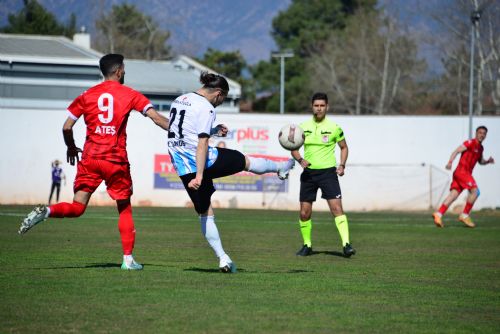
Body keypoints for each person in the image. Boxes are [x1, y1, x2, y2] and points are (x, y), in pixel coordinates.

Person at [18, 54, 169, 270]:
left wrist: (71, 147)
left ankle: (48, 212)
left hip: (90, 158)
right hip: (114, 160)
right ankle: (128, 260)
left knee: (77, 207)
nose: (124, 72)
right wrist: (180, 131)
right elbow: (156, 118)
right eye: (124, 69)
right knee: (124, 207)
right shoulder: (130, 94)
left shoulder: (87, 95)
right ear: (118, 71)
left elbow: (66, 127)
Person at [167, 71, 295, 273]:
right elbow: (201, 143)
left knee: (204, 212)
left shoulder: (180, 100)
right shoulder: (206, 107)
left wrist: (214, 130)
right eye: (223, 99)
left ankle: (223, 259)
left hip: (182, 164)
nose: (220, 103)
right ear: (218, 93)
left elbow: (184, 131)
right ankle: (281, 167)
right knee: (244, 161)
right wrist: (200, 175)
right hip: (203, 161)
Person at [290, 92, 355, 257]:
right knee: (304, 213)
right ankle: (307, 245)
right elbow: (294, 148)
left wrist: (342, 165)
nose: (319, 109)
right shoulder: (302, 127)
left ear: (327, 107)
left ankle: (347, 245)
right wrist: (300, 160)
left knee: (336, 208)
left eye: (322, 106)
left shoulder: (335, 128)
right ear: (312, 107)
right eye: (316, 106)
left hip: (328, 173)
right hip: (309, 174)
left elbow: (344, 147)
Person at [432, 126, 494, 228]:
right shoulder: (470, 143)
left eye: (484, 133)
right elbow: (456, 151)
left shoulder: (481, 148)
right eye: (480, 133)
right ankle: (464, 215)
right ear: (476, 133)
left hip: (462, 174)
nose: (482, 135)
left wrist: (487, 161)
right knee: (475, 191)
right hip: (462, 172)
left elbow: (480, 161)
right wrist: (450, 162)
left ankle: (438, 214)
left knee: (453, 195)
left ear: (486, 135)